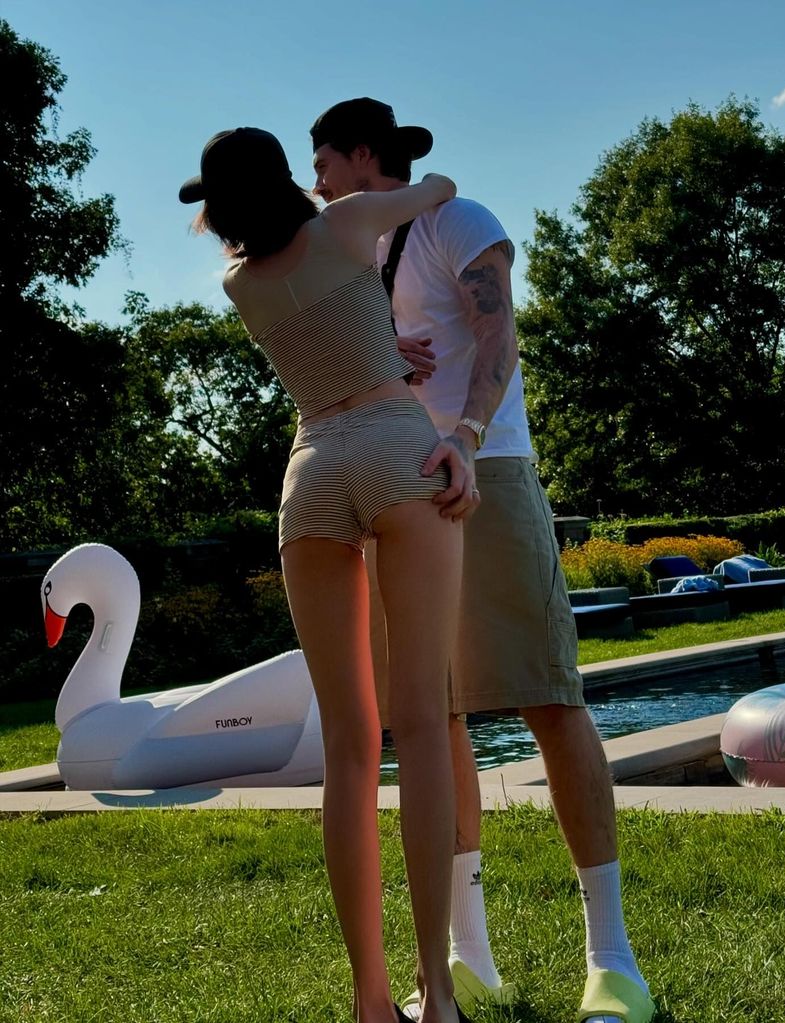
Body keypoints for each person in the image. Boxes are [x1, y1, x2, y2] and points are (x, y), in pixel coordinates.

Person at [310, 98, 656, 1023]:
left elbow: (499, 332)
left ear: (361, 153)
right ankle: (466, 957)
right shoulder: (350, 252)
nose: (316, 181)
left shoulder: (455, 220)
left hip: (485, 468)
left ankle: (613, 963)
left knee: (547, 694)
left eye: (324, 160)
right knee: (436, 713)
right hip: (395, 487)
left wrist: (463, 429)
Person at [179, 126, 477, 1023]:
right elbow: (439, 187)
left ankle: (369, 999)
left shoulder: (239, 283)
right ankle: (437, 992)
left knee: (348, 748)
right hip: (395, 449)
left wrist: (384, 343)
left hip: (309, 476)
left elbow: (330, 341)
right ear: (284, 178)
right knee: (420, 724)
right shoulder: (348, 225)